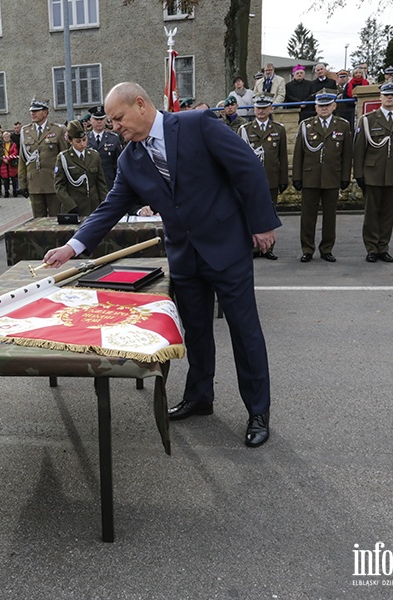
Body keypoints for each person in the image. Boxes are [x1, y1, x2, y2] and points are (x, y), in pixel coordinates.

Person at [42, 82, 280, 448]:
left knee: (244, 332)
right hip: (184, 255)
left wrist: (262, 223)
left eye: (118, 118)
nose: (115, 126)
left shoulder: (197, 124)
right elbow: (110, 207)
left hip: (226, 247)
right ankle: (200, 397)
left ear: (141, 104)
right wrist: (72, 247)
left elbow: (245, 166)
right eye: (110, 121)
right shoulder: (129, 159)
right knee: (196, 332)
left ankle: (257, 412)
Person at [353, 83, 393, 263]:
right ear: (380, 97)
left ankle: (383, 247)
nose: (389, 97)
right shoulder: (368, 119)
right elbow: (359, 149)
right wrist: (359, 174)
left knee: (389, 213)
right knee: (372, 213)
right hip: (373, 172)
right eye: (386, 95)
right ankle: (372, 247)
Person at [293, 92, 353, 262]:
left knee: (330, 216)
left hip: (332, 177)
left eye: (327, 105)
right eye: (320, 105)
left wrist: (345, 176)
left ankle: (327, 248)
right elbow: (298, 154)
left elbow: (347, 154)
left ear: (334, 106)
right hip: (310, 177)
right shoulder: (306, 125)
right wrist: (297, 177)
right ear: (315, 107)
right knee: (307, 216)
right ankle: (307, 249)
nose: (324, 108)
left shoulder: (342, 125)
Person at [237, 95, 287, 259]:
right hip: (250, 181)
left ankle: (268, 248)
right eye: (258, 108)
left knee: (269, 214)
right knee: (249, 212)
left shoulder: (278, 129)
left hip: (271, 178)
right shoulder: (245, 130)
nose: (261, 111)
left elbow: (283, 158)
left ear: (271, 109)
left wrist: (283, 179)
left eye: (264, 108)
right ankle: (253, 247)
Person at [17, 97, 69, 217]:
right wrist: (22, 183)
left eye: (36, 110)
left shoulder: (57, 130)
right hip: (34, 184)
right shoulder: (25, 131)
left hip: (52, 183)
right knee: (37, 221)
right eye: (31, 111)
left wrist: (64, 182)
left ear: (45, 112)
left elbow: (64, 158)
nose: (32, 113)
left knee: (55, 220)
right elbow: (22, 159)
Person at [53, 120, 107, 217]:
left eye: (84, 139)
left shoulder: (94, 156)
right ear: (70, 140)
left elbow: (101, 184)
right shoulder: (64, 158)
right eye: (78, 141)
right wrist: (70, 205)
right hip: (74, 207)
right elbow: (59, 186)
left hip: (93, 207)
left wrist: (105, 204)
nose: (82, 144)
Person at [87, 105, 123, 188]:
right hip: (91, 182)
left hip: (109, 181)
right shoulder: (85, 139)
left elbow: (119, 163)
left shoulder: (113, 139)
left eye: (101, 119)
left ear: (106, 120)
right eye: (96, 119)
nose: (99, 122)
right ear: (91, 120)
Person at [0, 131, 19, 197]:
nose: (6, 138)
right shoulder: (1, 145)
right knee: (5, 179)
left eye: (7, 137)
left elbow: (15, 152)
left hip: (11, 163)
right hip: (4, 164)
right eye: (5, 137)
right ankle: (6, 191)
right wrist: (3, 159)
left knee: (14, 178)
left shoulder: (13, 144)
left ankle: (14, 191)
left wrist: (8, 159)